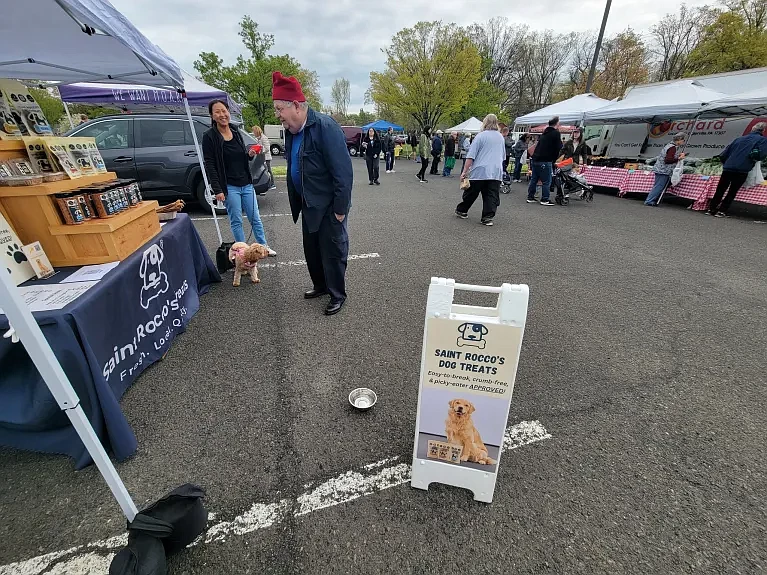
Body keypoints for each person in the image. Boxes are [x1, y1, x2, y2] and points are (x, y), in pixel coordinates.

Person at [272, 71, 353, 316]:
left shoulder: (325, 127)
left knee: (332, 251)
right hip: (308, 203)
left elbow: (343, 173)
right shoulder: (292, 130)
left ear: (295, 105)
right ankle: (320, 285)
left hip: (329, 206)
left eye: (279, 109)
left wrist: (340, 210)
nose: (277, 115)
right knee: (312, 249)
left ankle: (337, 293)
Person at [202, 99, 276, 256]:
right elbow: (210, 165)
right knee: (236, 220)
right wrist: (217, 189)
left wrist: (248, 155)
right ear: (212, 115)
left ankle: (263, 246)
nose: (222, 114)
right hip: (229, 186)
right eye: (217, 112)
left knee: (255, 218)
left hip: (246, 183)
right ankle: (242, 252)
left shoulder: (235, 131)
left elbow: (241, 155)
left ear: (228, 112)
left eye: (224, 110)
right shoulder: (209, 137)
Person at [455, 114, 506, 226]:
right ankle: (487, 217)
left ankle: (462, 210)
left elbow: (471, 156)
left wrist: (464, 171)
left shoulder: (480, 136)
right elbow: (503, 156)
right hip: (495, 171)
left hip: (480, 170)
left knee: (471, 192)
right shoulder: (500, 137)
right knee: (491, 195)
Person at [707, 122, 767, 217]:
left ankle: (711, 209)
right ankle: (722, 211)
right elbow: (761, 155)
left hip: (728, 167)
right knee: (732, 191)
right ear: (763, 130)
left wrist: (726, 163)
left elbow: (724, 154)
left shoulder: (739, 139)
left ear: (752, 129)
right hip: (742, 169)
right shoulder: (762, 140)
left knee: (720, 189)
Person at [527, 116, 562, 206]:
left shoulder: (544, 133)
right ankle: (545, 199)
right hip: (545, 160)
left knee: (534, 179)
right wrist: (554, 159)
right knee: (546, 181)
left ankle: (530, 197)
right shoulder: (555, 133)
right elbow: (558, 147)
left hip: (535, 159)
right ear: (557, 123)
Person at [645, 133, 686, 206]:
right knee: (659, 186)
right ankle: (649, 200)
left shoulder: (669, 145)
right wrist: (679, 158)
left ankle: (650, 199)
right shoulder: (673, 147)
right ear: (679, 140)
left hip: (660, 168)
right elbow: (668, 160)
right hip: (664, 170)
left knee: (657, 185)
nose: (683, 142)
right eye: (683, 140)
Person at [252, 125, 276, 190]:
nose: (253, 133)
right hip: (262, 157)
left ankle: (272, 184)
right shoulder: (259, 138)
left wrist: (260, 151)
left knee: (268, 170)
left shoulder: (263, 138)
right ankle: (269, 183)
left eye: (254, 131)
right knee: (266, 170)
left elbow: (267, 148)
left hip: (266, 157)